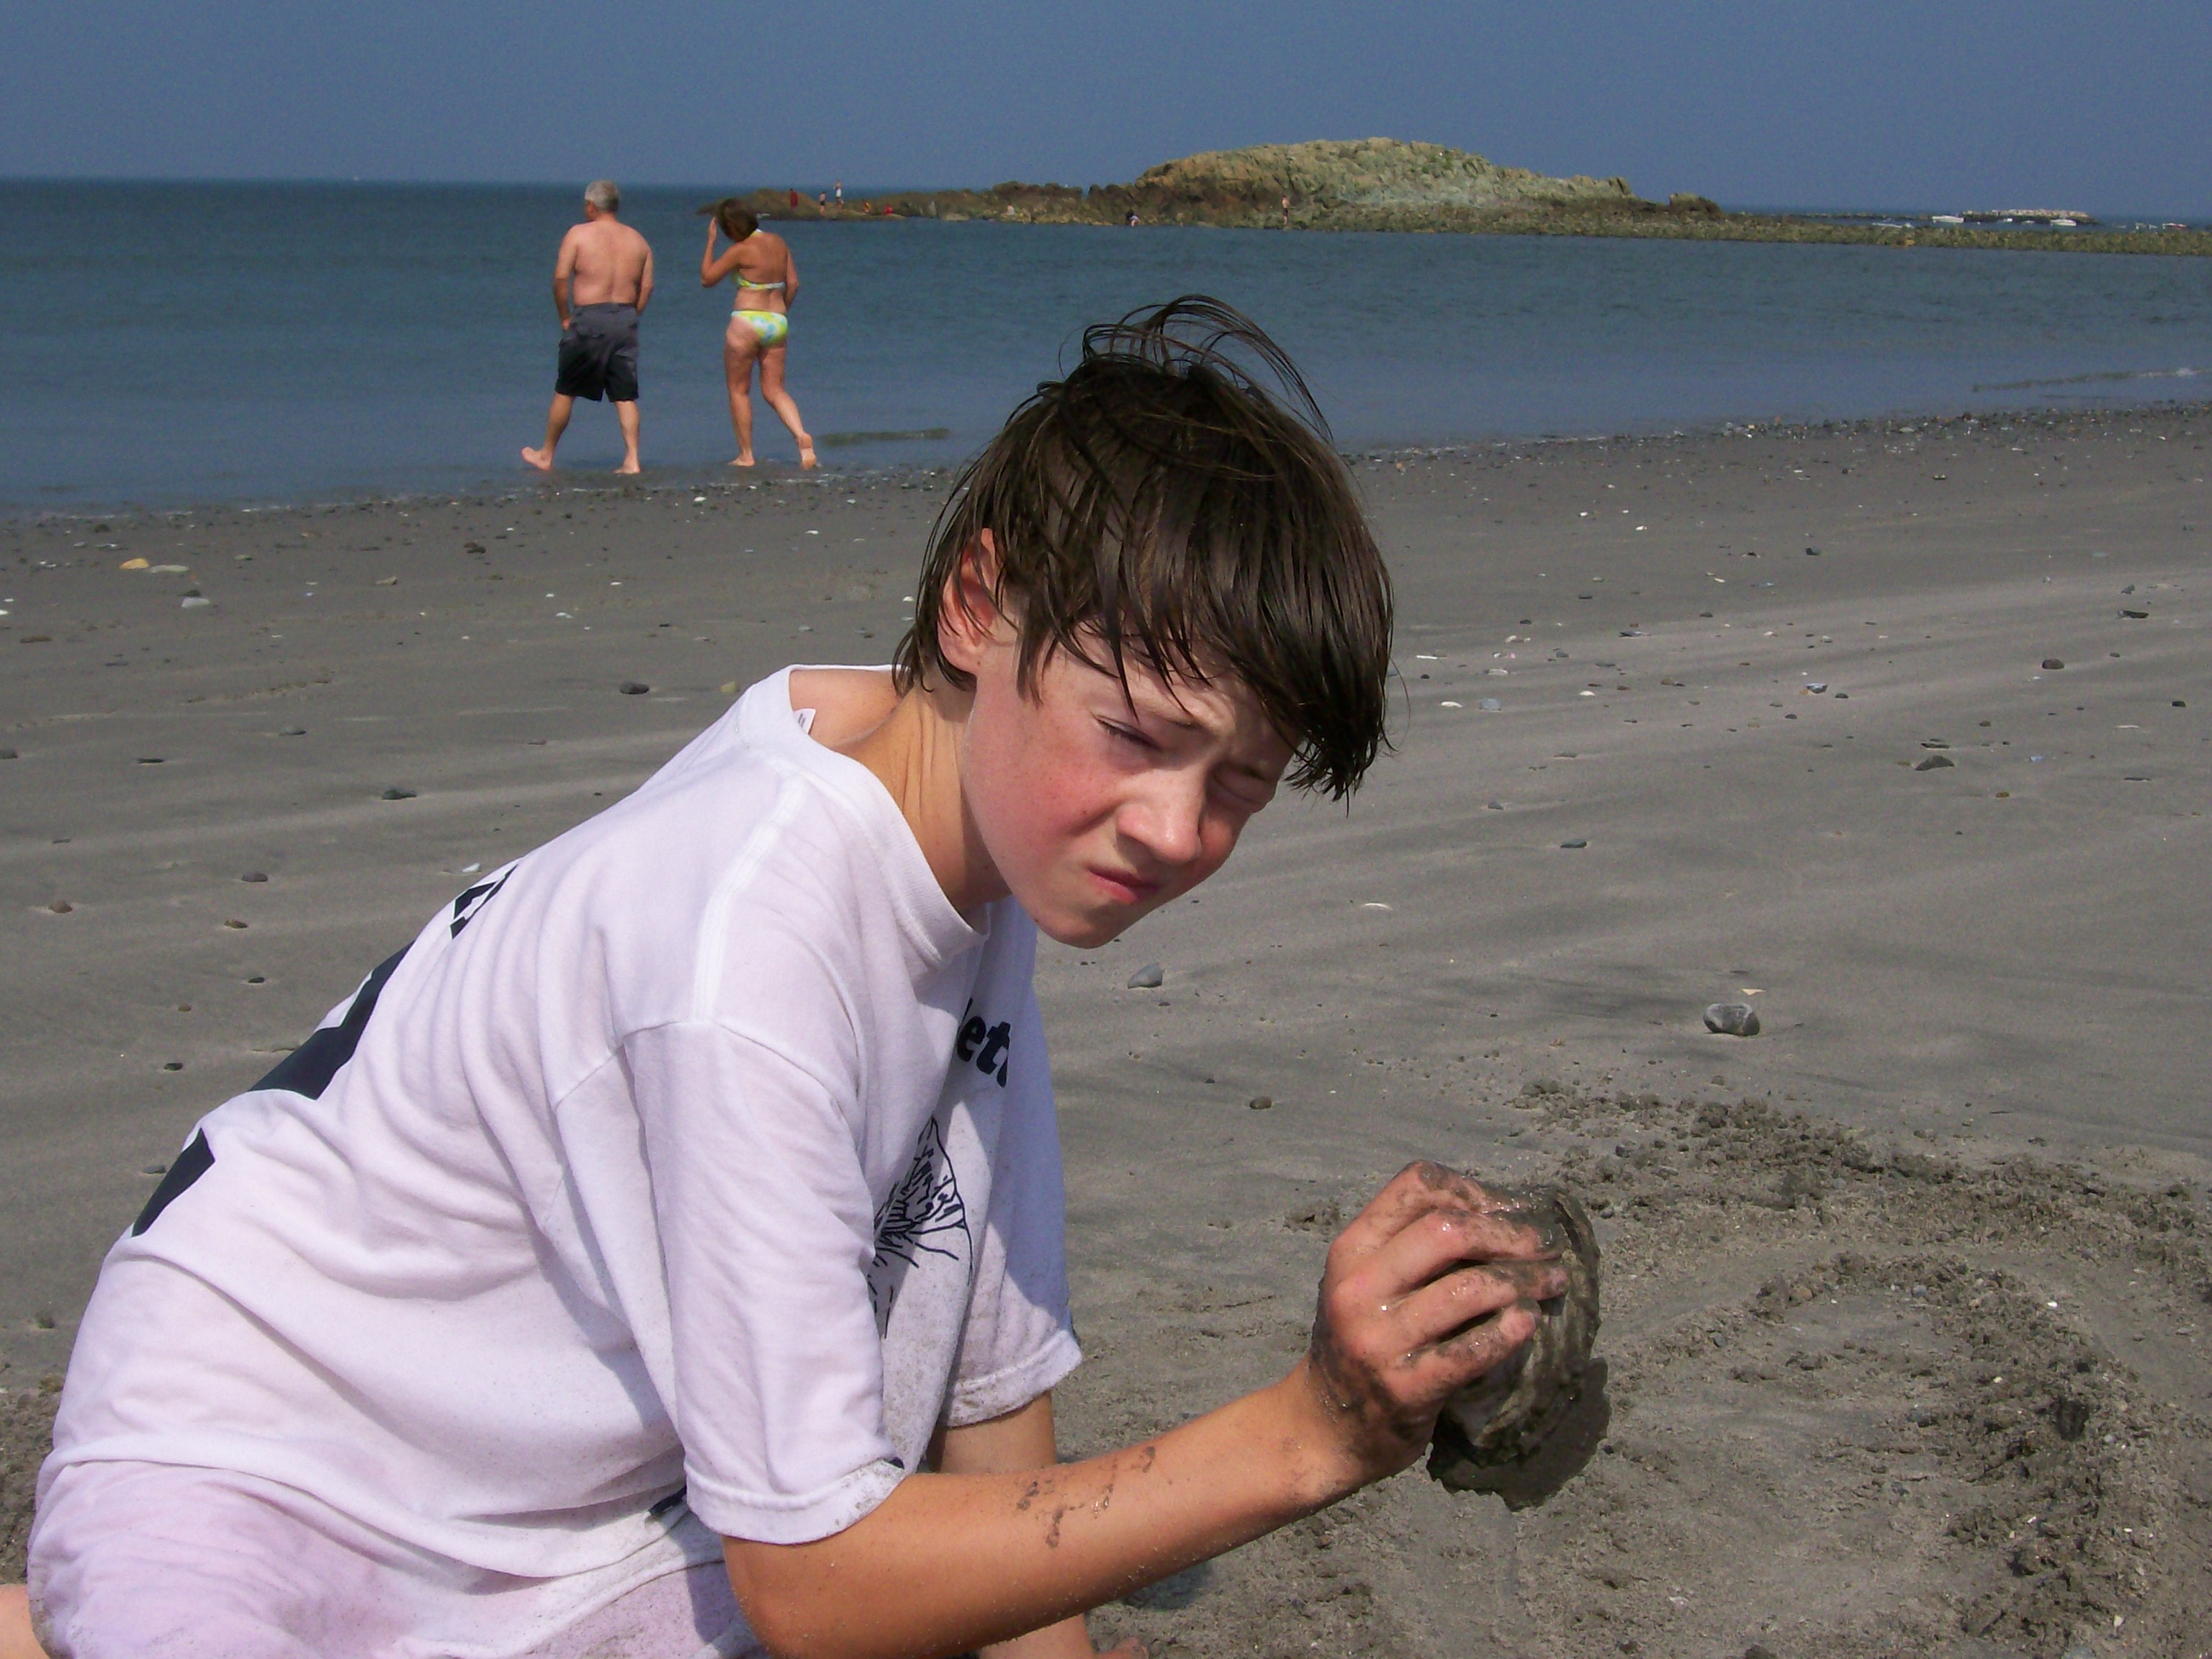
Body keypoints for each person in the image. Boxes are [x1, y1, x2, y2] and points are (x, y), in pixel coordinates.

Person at [10, 298, 1566, 1659]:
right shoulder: (752, 943)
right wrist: (1310, 1433)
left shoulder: (954, 822)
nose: (1174, 828)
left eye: (1240, 782)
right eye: (1139, 734)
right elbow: (815, 1582)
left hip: (555, 1504)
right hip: (255, 1454)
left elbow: (986, 1381)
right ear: (979, 603)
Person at [522, 180, 655, 475]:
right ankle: (632, 459)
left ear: (591, 207)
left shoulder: (579, 234)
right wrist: (633, 314)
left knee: (566, 388)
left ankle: (546, 454)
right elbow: (647, 285)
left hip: (590, 318)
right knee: (625, 394)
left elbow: (560, 278)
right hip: (625, 317)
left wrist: (564, 316)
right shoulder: (639, 240)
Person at [698, 199, 817, 470]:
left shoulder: (739, 250)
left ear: (731, 227)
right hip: (777, 321)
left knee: (739, 390)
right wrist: (781, 311)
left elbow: (707, 279)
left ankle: (746, 455)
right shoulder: (778, 242)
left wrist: (711, 243)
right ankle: (801, 434)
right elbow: (794, 283)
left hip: (747, 322)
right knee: (775, 389)